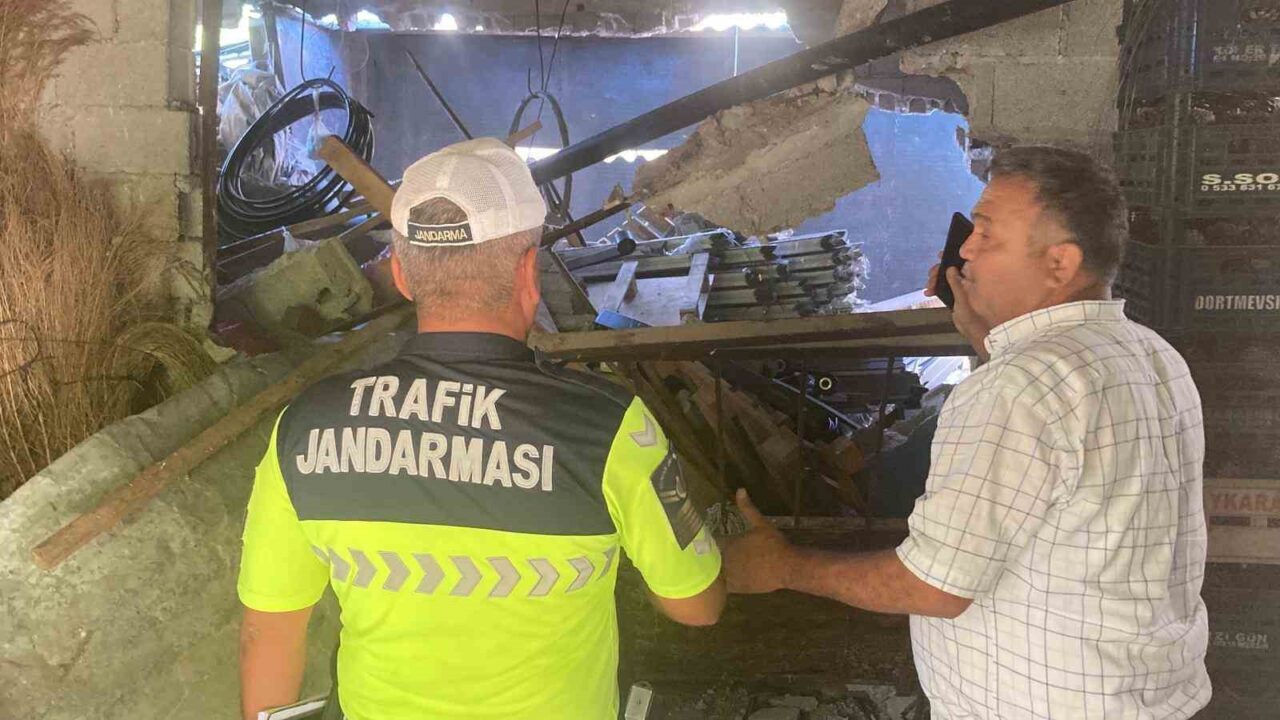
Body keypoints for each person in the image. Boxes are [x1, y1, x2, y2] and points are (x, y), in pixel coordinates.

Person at [237, 138, 725, 720]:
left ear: (402, 275)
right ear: (528, 272)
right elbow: (696, 607)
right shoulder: (608, 427)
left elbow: (268, 635)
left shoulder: (305, 430)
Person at [724, 146, 1210, 719]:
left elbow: (934, 587)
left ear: (1059, 264)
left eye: (987, 234)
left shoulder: (1016, 388)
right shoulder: (1152, 355)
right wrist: (983, 335)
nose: (968, 250)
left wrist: (782, 566)